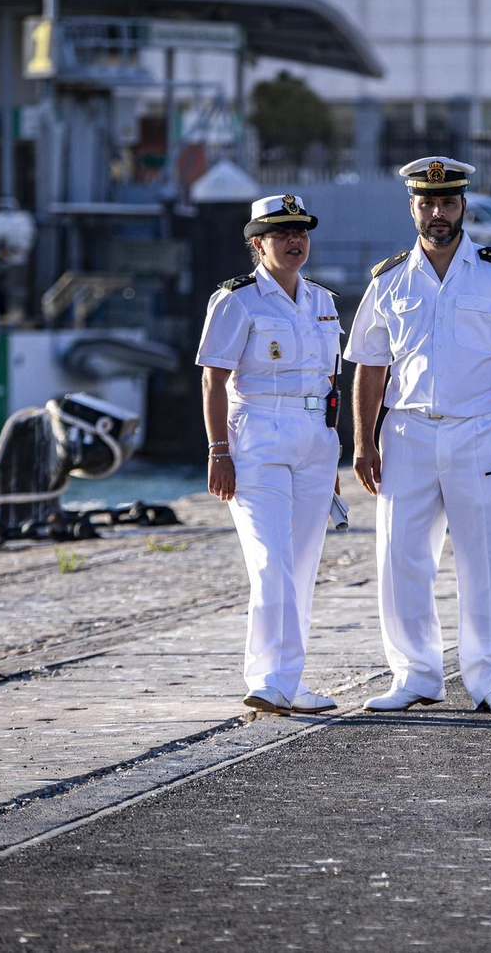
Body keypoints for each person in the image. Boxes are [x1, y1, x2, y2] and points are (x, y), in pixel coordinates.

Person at [344, 156, 491, 715]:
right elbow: (368, 364)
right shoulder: (389, 278)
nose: (438, 213)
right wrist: (363, 443)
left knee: (486, 558)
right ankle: (415, 675)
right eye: (427, 203)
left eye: (449, 202)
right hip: (408, 433)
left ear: (464, 205)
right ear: (412, 206)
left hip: (482, 431)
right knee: (401, 557)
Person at [196, 194, 343, 715]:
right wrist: (218, 450)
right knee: (271, 561)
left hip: (313, 439)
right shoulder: (236, 300)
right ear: (258, 244)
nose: (295, 241)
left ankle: (288, 680)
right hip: (256, 434)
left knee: (302, 565)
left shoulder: (322, 300)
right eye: (282, 234)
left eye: (301, 231)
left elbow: (330, 383)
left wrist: (333, 451)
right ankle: (267, 679)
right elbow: (213, 379)